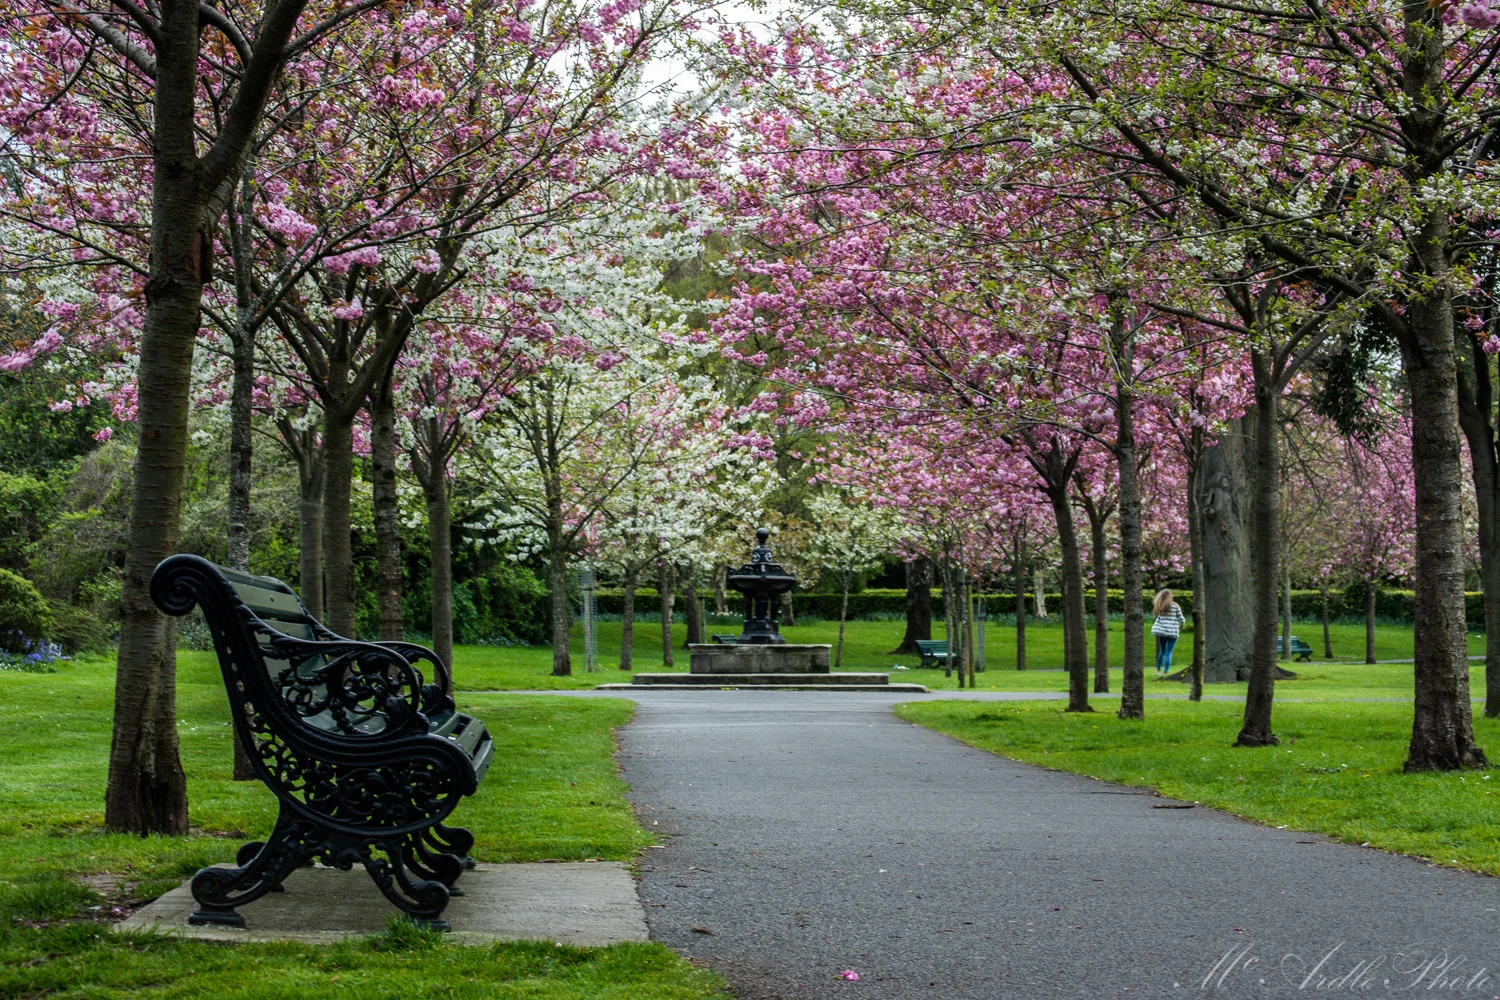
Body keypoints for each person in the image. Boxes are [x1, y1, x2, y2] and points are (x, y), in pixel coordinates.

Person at [1151, 589, 1186, 678]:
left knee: (1162, 651)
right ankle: (1166, 672)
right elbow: (1181, 618)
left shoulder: (1159, 606)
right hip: (1172, 632)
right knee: (1168, 652)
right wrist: (1182, 625)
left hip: (1161, 632)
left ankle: (1158, 671)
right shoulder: (1175, 606)